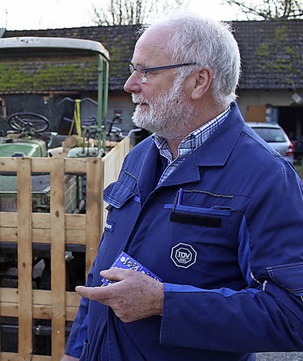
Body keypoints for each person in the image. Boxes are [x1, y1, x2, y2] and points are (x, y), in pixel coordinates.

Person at [62, 11, 303, 361]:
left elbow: (293, 315)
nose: (130, 84)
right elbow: (105, 270)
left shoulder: (266, 178)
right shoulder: (140, 156)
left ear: (198, 81)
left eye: (146, 71)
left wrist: (164, 302)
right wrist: (77, 349)